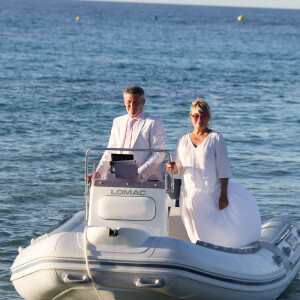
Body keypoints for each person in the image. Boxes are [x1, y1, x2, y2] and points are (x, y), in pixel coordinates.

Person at [167, 98, 261, 248]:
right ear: (190, 117)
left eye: (203, 116)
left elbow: (224, 170)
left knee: (210, 234)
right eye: (196, 116)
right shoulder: (183, 138)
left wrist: (223, 196)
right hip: (187, 195)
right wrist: (173, 167)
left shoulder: (216, 138)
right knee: (194, 234)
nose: (199, 119)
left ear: (208, 117)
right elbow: (179, 167)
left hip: (210, 195)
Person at [93, 85, 165, 180]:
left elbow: (159, 154)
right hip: (119, 175)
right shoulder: (117, 121)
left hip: (145, 179)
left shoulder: (153, 122)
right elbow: (111, 150)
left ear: (143, 102)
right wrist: (98, 172)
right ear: (124, 101)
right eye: (129, 102)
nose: (132, 106)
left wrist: (139, 174)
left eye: (135, 102)